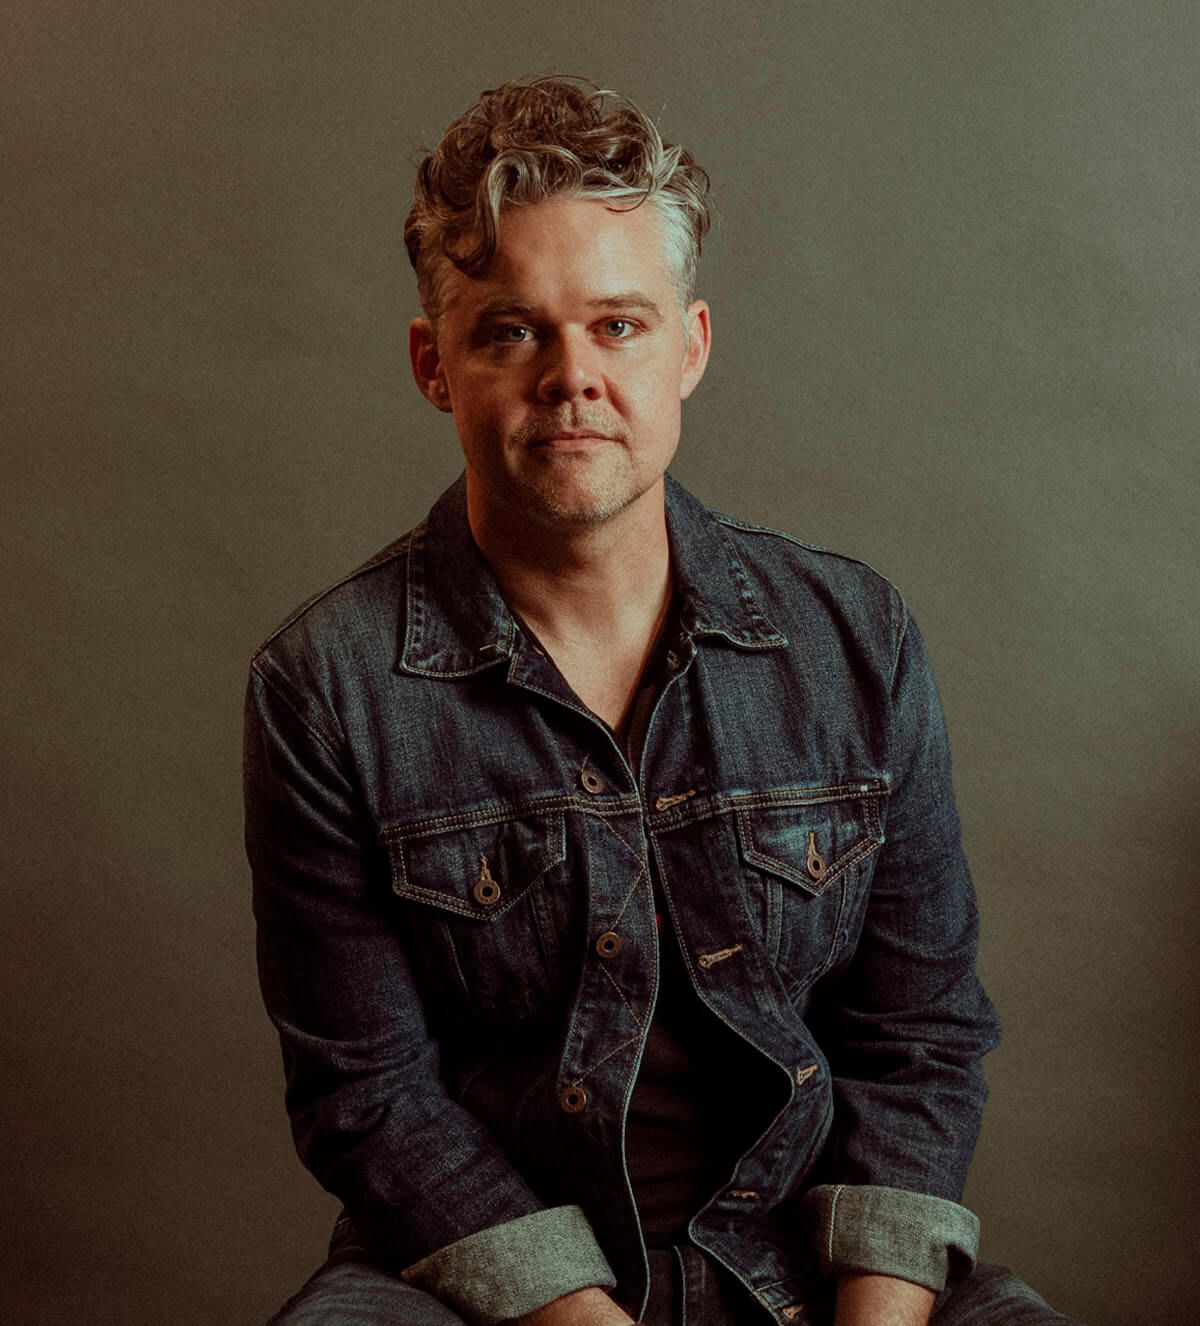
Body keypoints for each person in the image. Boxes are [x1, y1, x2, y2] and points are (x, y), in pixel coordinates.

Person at [245, 77, 1079, 1326]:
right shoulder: (327, 688)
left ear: (689, 346)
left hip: (813, 1268)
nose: (572, 377)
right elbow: (370, 1098)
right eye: (512, 331)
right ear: (435, 365)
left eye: (618, 326)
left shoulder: (855, 640)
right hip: (490, 1288)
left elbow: (920, 1035)